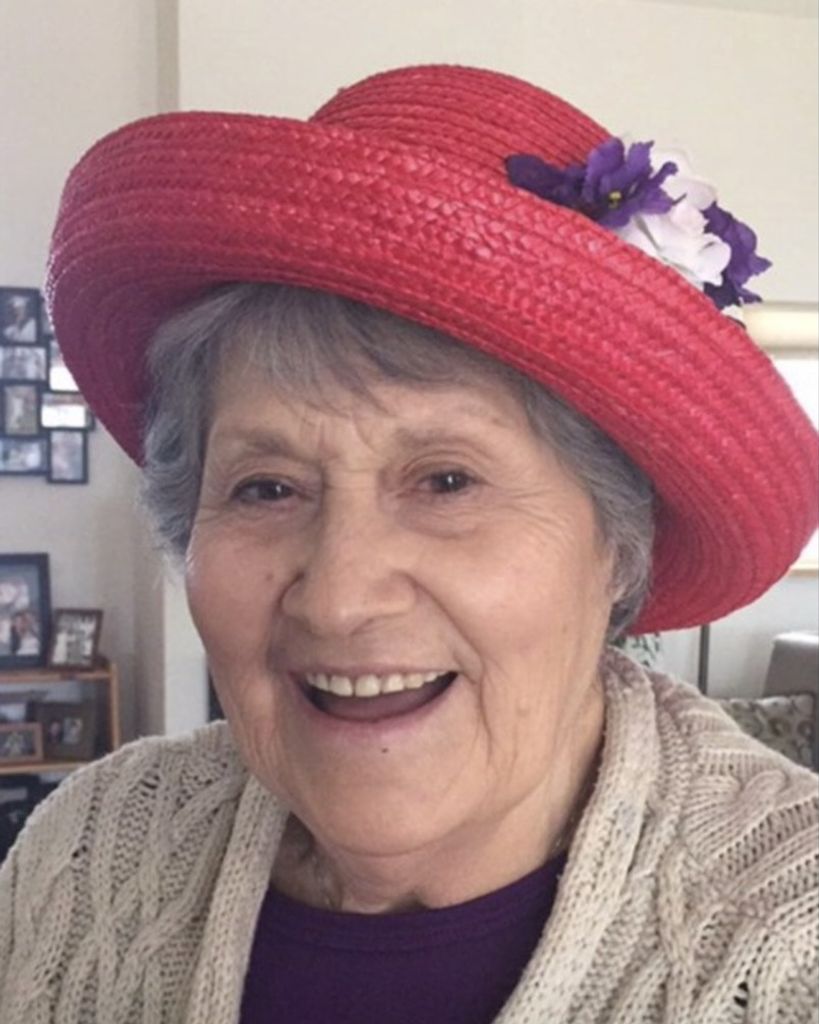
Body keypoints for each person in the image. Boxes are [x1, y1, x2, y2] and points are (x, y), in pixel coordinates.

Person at [0, 64, 816, 1024]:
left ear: (616, 546)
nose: (337, 598)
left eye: (446, 481)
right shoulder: (86, 850)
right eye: (266, 488)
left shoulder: (792, 947)